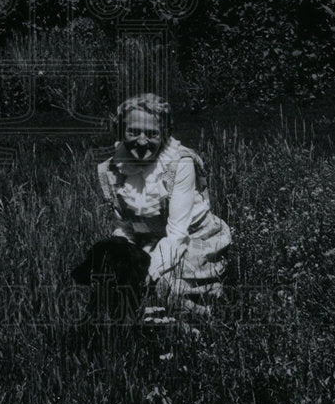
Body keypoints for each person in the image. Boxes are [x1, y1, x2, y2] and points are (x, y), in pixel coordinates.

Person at [94, 93, 232, 316]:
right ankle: (149, 330)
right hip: (149, 240)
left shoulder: (179, 163)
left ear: (165, 134)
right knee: (114, 283)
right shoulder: (113, 168)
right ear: (120, 132)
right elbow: (125, 225)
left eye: (151, 133)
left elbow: (177, 231)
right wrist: (124, 257)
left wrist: (149, 270)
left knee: (163, 284)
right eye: (132, 131)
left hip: (193, 238)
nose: (141, 141)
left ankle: (209, 319)